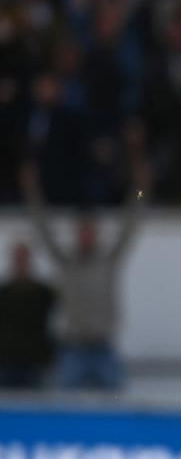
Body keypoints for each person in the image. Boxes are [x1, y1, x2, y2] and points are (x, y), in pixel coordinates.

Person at [20, 161, 147, 390]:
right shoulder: (67, 262)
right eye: (83, 231)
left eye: (91, 231)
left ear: (96, 235)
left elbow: (131, 224)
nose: (86, 236)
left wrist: (141, 188)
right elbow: (42, 228)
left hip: (104, 349)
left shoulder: (108, 261)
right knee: (63, 407)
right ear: (78, 235)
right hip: (72, 351)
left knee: (121, 405)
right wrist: (31, 191)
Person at [0, 242, 58, 389]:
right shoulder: (4, 293)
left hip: (36, 363)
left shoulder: (44, 292)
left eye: (24, 258)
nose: (21, 263)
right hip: (7, 361)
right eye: (18, 259)